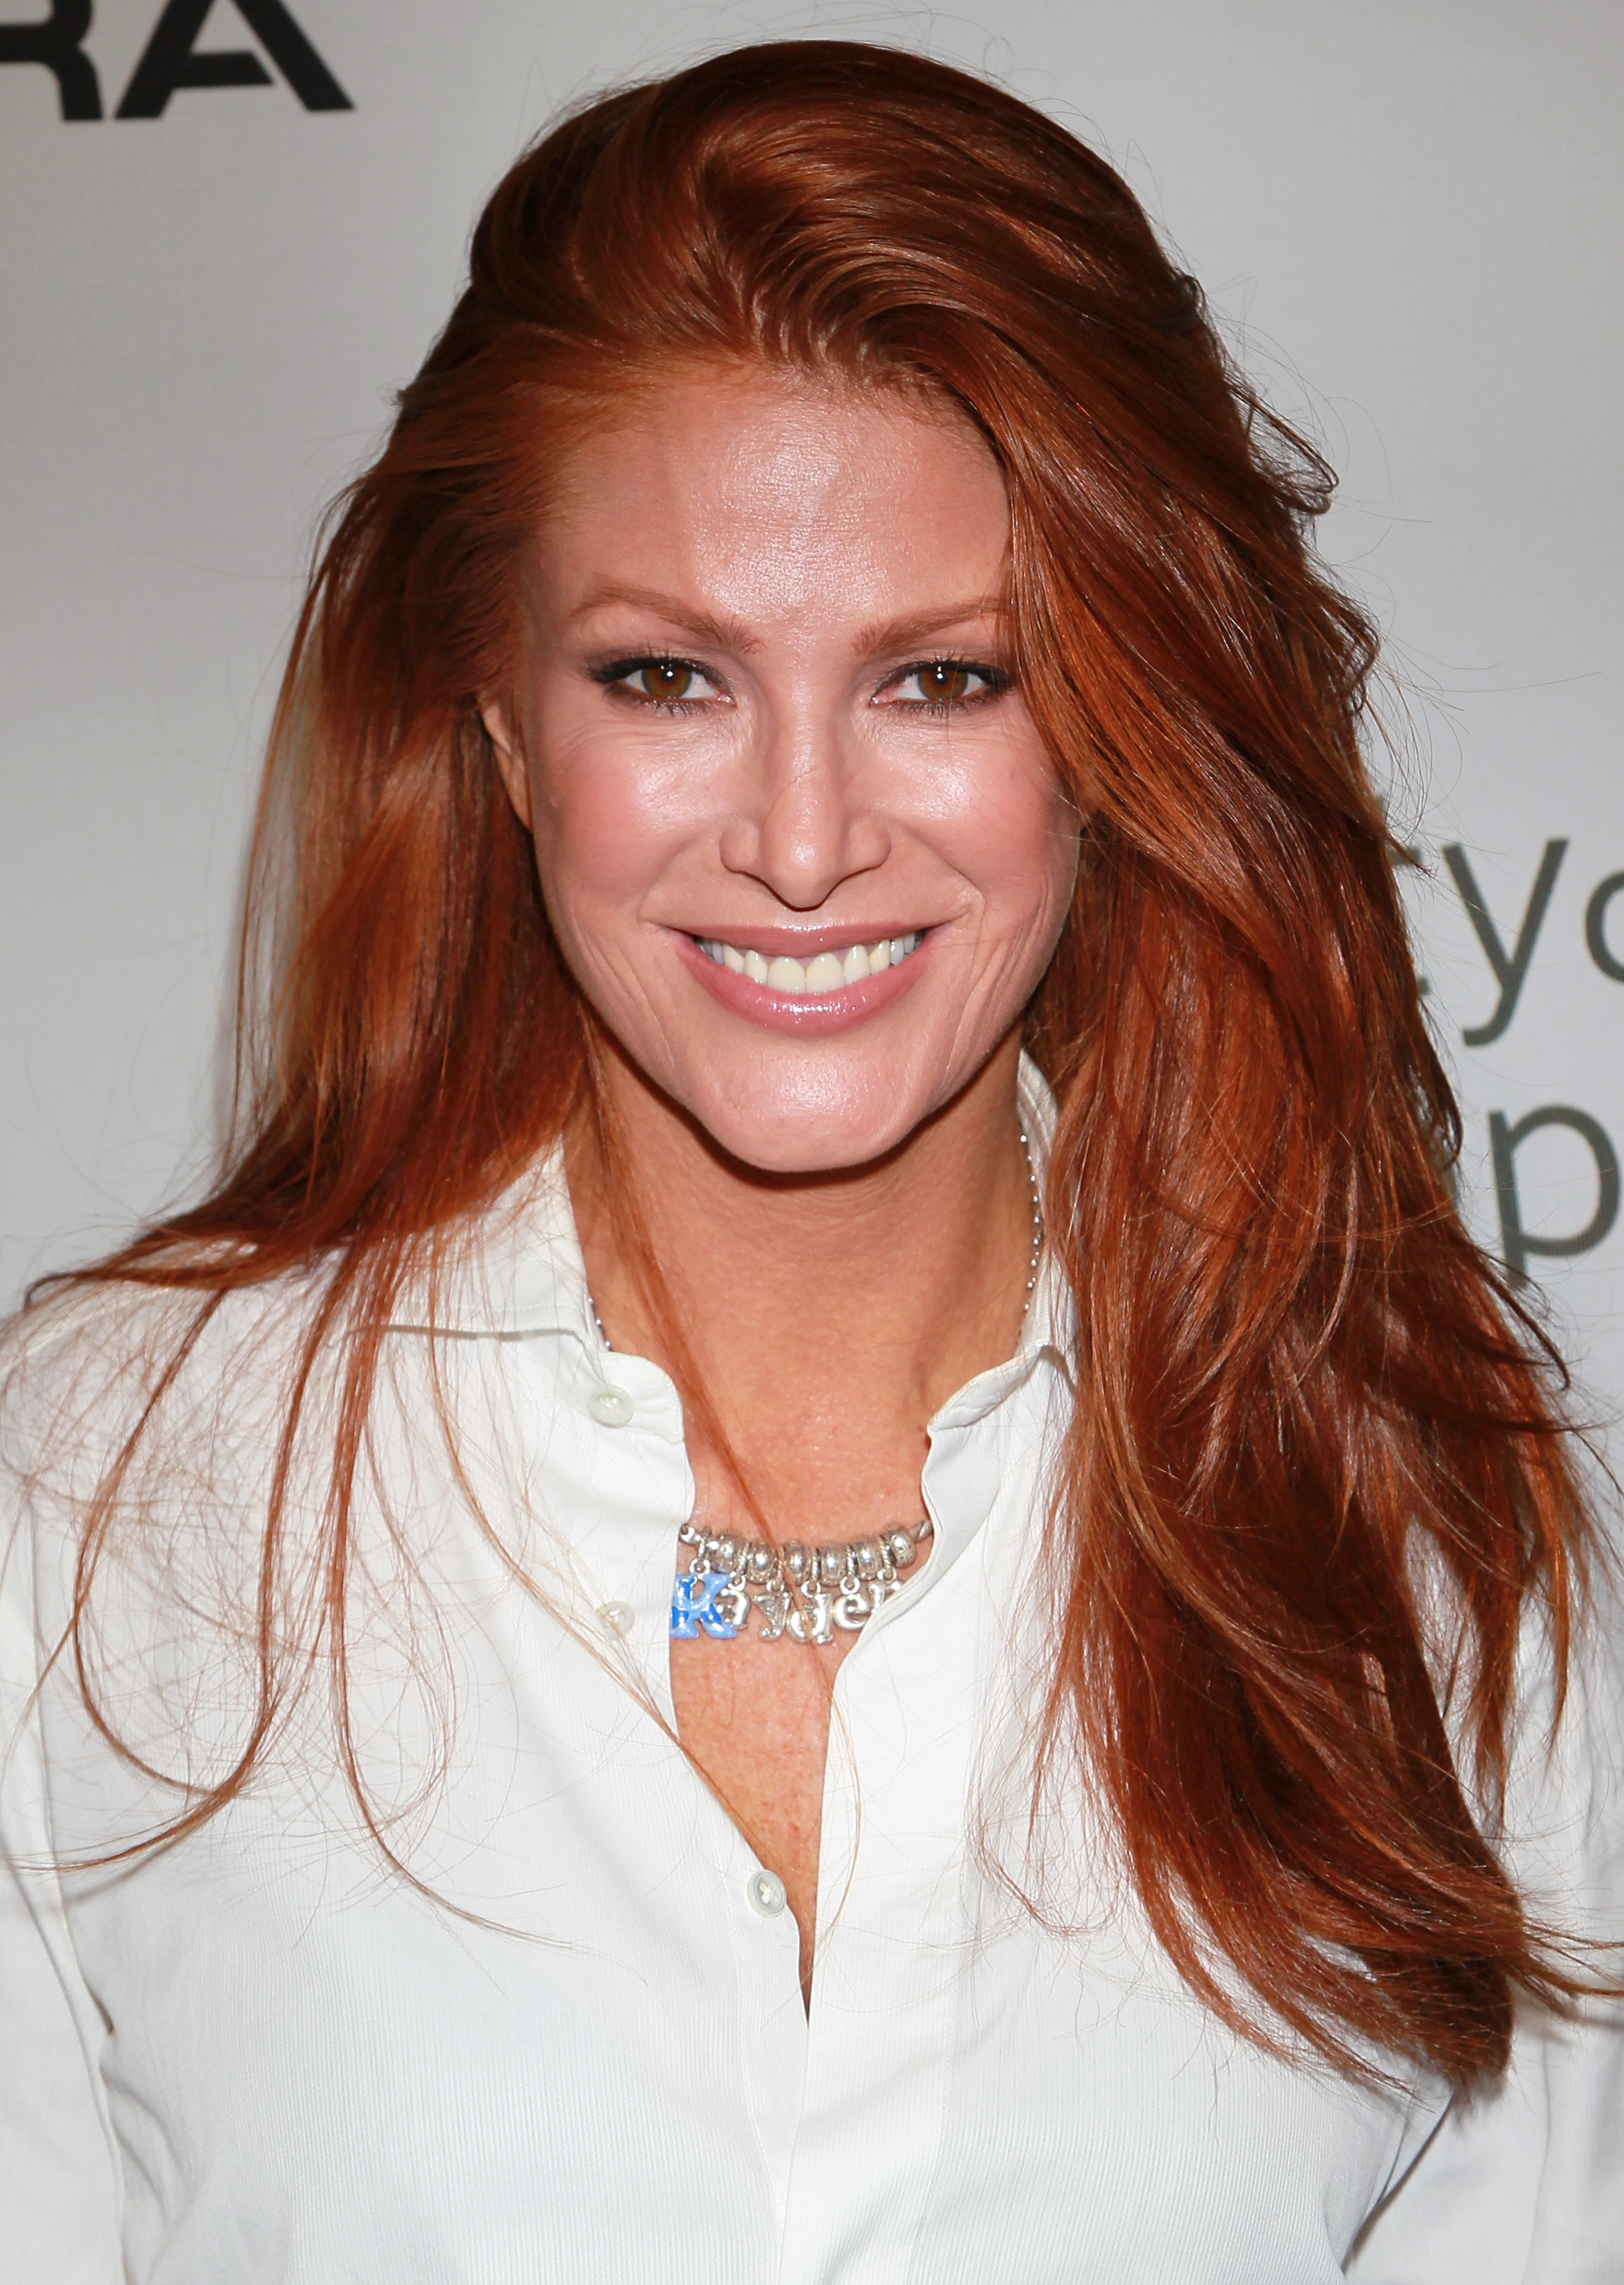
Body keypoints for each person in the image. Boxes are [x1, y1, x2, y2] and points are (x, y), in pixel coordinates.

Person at [2, 39, 1619, 2284]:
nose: (796, 838)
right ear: (499, 721)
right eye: (665, 678)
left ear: (1119, 731)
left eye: (942, 680)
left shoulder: (1408, 1522)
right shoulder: (105, 1491)